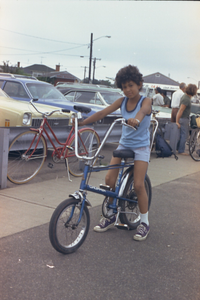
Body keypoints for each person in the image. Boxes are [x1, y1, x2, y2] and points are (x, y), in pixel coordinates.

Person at [76, 65, 152, 241]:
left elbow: (143, 111)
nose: (128, 90)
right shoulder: (122, 101)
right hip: (124, 144)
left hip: (141, 147)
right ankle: (111, 214)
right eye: (124, 87)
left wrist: (136, 120)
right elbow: (104, 112)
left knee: (139, 185)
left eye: (131, 85)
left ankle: (145, 223)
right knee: (109, 180)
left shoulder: (145, 101)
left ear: (139, 84)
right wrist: (84, 123)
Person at [176, 84, 197, 155]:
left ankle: (178, 148)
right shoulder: (186, 99)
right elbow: (181, 110)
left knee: (181, 134)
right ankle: (181, 150)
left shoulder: (185, 97)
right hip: (184, 118)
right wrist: (177, 121)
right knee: (184, 135)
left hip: (183, 118)